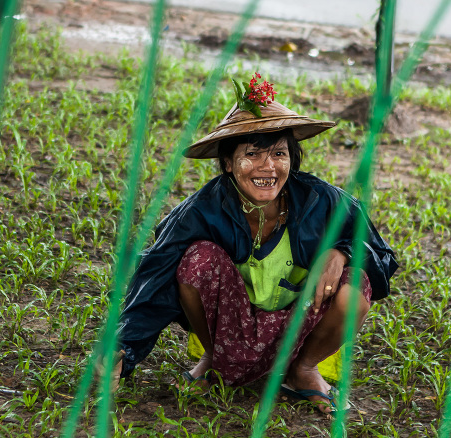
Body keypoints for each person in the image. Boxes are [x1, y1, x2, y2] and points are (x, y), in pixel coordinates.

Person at [115, 74, 398, 414]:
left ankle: (303, 369)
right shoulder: (200, 210)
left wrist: (343, 252)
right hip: (230, 326)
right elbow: (154, 273)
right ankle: (214, 358)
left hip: (301, 318)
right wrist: (124, 350)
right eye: (253, 154)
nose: (268, 166)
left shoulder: (324, 201)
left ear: (292, 160)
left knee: (357, 282)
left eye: (279, 153)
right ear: (228, 164)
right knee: (195, 260)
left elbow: (381, 255)